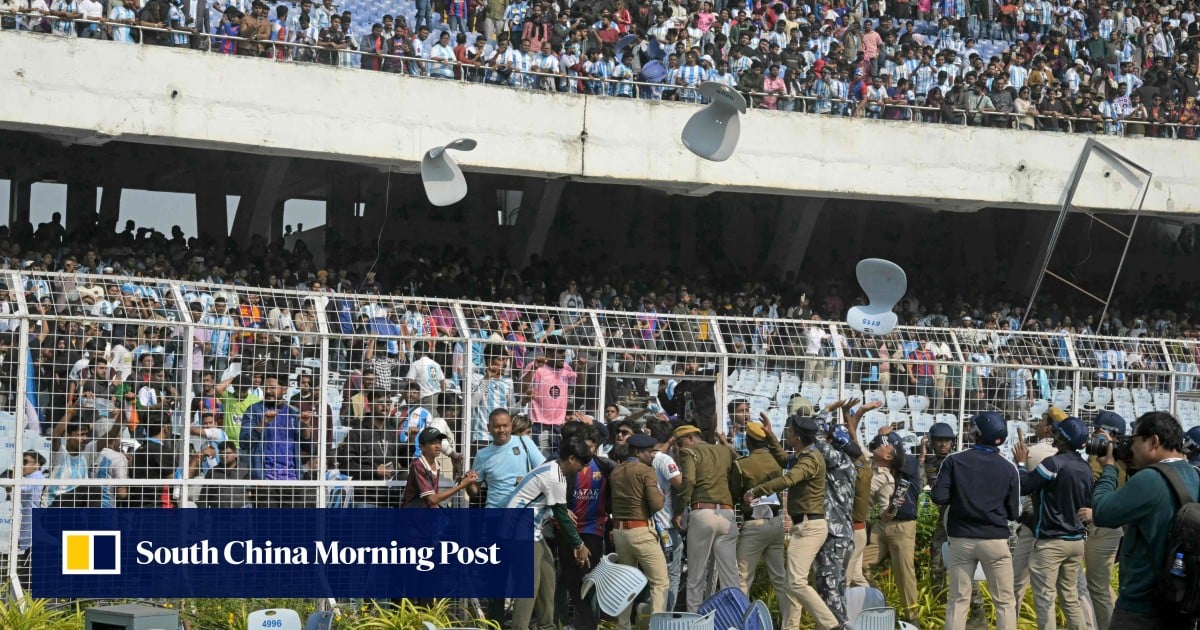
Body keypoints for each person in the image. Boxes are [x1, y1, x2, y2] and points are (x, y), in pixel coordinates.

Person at [1089, 412, 1200, 629]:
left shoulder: (1151, 479)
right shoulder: (1194, 474)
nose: (1131, 447)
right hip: (1180, 602)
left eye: (1135, 440)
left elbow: (1102, 512)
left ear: (1154, 442)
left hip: (1141, 610)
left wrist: (1110, 468)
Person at [744, 415, 840, 630]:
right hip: (804, 525)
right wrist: (770, 436)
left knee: (795, 582)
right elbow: (784, 461)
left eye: (787, 430)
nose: (785, 433)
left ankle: (832, 625)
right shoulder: (804, 455)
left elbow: (788, 478)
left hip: (809, 526)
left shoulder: (810, 459)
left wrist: (756, 491)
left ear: (796, 437)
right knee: (791, 584)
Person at [932, 411, 1020, 630]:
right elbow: (1013, 513)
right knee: (1005, 602)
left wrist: (962, 495)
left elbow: (938, 497)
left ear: (976, 433)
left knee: (958, 601)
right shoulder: (1009, 468)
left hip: (961, 539)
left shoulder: (954, 461)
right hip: (995, 541)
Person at [1013, 416, 1093, 630]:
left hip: (1051, 543)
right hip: (1076, 542)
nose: (1053, 435)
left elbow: (1024, 485)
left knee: (1044, 600)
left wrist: (1020, 463)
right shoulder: (1085, 468)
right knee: (1070, 597)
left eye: (1057, 433)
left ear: (1062, 438)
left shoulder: (1053, 463)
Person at [507, 435, 593, 630]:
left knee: (548, 578)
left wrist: (562, 511)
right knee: (529, 585)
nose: (583, 468)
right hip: (520, 532)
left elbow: (553, 507)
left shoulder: (554, 468)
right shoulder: (555, 476)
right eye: (582, 463)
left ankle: (547, 625)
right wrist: (579, 545)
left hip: (531, 531)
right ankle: (519, 627)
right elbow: (562, 517)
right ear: (571, 458)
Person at [730, 418, 791, 627]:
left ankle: (742, 623)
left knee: (743, 579)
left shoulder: (742, 465)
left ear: (748, 440)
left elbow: (735, 492)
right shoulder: (777, 462)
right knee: (780, 579)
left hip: (753, 525)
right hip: (776, 523)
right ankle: (788, 623)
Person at [674, 423, 738, 612]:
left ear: (691, 438)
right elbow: (738, 461)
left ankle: (695, 620)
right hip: (727, 513)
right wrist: (726, 443)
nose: (679, 448)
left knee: (696, 575)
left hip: (702, 512)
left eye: (680, 442)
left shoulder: (689, 453)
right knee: (730, 575)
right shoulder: (723, 451)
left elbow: (689, 481)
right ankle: (735, 617)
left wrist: (679, 511)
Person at [609, 433, 669, 628]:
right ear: (637, 452)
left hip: (620, 532)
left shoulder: (616, 471)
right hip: (641, 531)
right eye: (649, 452)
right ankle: (656, 626)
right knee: (660, 582)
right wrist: (663, 496)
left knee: (627, 583)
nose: (653, 455)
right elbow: (656, 504)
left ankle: (623, 625)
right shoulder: (644, 470)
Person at [1085, 410, 1129, 630]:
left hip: (1104, 528)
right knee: (1099, 587)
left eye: (1097, 431)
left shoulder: (1114, 463)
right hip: (1109, 529)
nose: (1093, 436)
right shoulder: (1114, 459)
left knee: (1098, 589)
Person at [402, 426, 476, 507]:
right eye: (433, 443)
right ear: (422, 447)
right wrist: (461, 485)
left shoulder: (436, 464)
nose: (438, 446)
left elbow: (433, 497)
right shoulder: (418, 465)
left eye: (439, 442)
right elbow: (432, 499)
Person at [921, 420, 957, 584]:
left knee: (964, 566)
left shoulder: (959, 461)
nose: (943, 444)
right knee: (937, 563)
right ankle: (938, 602)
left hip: (959, 518)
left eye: (947, 440)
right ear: (932, 442)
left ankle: (977, 606)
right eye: (939, 440)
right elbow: (920, 483)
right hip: (943, 520)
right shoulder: (929, 463)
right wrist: (922, 457)